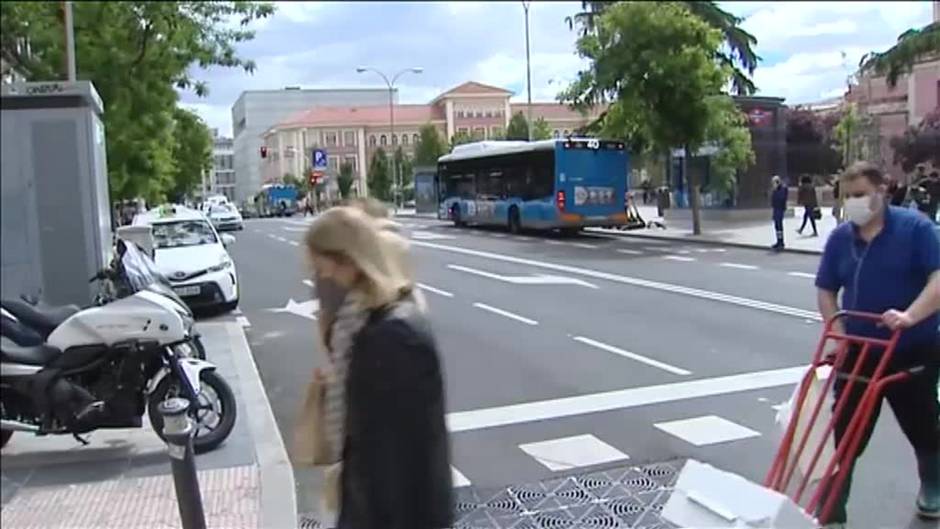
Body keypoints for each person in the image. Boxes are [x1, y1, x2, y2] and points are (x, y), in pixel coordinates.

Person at [303, 206, 452, 529]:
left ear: (345, 256)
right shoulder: (364, 320)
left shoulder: (392, 336)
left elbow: (404, 459)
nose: (321, 276)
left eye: (321, 265)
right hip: (373, 503)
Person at [814, 161, 939, 526]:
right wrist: (836, 331)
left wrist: (910, 315)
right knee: (847, 432)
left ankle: (932, 482)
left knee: (923, 425)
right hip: (859, 350)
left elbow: (937, 279)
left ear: (881, 191)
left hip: (911, 348)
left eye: (860, 195)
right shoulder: (841, 239)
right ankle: (833, 509)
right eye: (847, 196)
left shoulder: (916, 229)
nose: (853, 203)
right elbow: (825, 288)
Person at [770, 175, 788, 250]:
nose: (772, 185)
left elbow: (781, 198)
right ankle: (778, 241)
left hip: (779, 209)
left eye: (773, 183)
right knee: (777, 226)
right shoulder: (776, 190)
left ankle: (781, 242)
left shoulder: (782, 189)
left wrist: (775, 191)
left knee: (779, 226)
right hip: (776, 209)